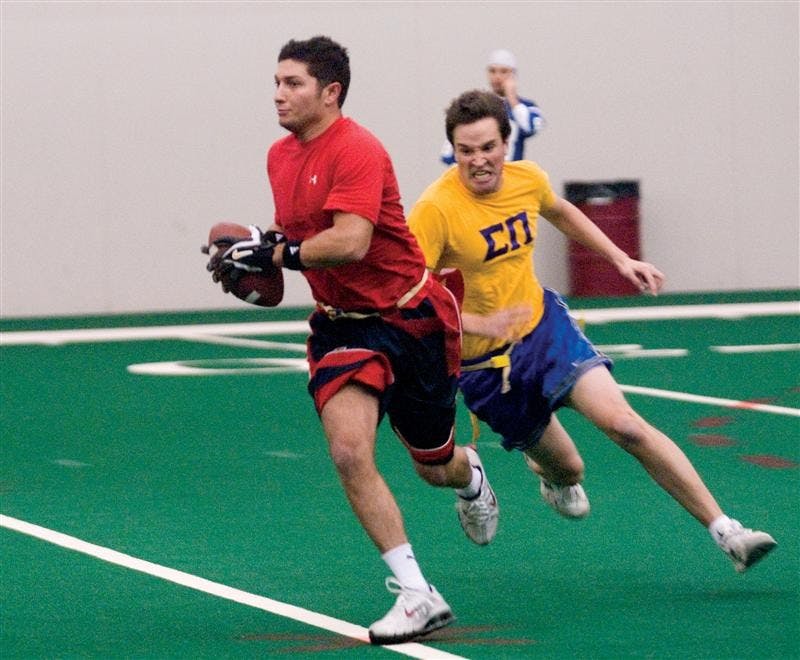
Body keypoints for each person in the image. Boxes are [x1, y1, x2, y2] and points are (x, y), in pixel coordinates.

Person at [409, 89, 777, 573]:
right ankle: (541, 475)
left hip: (544, 331)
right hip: (484, 368)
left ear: (506, 142)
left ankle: (728, 532)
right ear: (453, 150)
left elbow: (559, 211)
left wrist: (621, 259)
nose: (478, 160)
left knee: (626, 425)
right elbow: (412, 295)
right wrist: (478, 323)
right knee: (570, 468)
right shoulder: (435, 210)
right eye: (466, 151)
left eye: (487, 147)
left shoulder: (527, 180)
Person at [205, 38, 499, 645]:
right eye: (277, 82)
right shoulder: (279, 156)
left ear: (330, 92)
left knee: (434, 463)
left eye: (293, 83)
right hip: (343, 325)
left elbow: (351, 241)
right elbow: (298, 234)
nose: (279, 94)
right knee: (348, 450)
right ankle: (418, 594)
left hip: (410, 318)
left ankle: (469, 475)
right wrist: (255, 247)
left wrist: (277, 252)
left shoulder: (359, 148)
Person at [440, 49, 543, 165]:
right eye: (492, 71)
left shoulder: (526, 106)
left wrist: (512, 99)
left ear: (513, 74)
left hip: (510, 175)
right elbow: (449, 152)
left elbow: (530, 128)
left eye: (504, 71)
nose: (497, 77)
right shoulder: (478, 105)